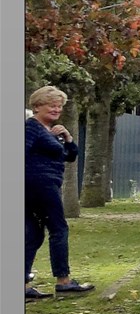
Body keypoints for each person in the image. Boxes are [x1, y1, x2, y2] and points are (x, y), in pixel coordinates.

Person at [25, 86, 91, 301]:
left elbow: (69, 157)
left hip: (42, 184)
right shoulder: (32, 128)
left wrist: (68, 137)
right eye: (51, 105)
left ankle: (23, 283)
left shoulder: (49, 131)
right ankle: (63, 281)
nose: (56, 109)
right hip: (39, 184)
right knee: (59, 229)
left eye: (59, 106)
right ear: (36, 107)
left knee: (34, 234)